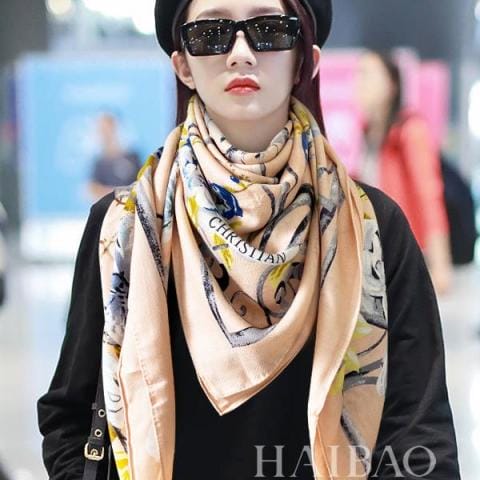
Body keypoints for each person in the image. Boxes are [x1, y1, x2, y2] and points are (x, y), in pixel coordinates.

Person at [37, 1, 461, 479]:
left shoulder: (372, 227)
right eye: (211, 33)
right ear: (182, 65)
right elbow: (70, 416)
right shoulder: (125, 227)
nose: (240, 52)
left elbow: (419, 432)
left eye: (269, 29)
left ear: (305, 61)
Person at [354, 50, 453, 296]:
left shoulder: (410, 131)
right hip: (377, 257)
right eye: (359, 75)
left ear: (391, 84)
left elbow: (429, 195)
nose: (360, 83)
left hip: (409, 254)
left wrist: (440, 263)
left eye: (368, 75)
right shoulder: (367, 135)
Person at [88, 112, 142, 201]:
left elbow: (142, 186)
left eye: (108, 129)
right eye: (102, 130)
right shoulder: (99, 163)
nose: (105, 134)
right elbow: (92, 190)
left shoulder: (132, 157)